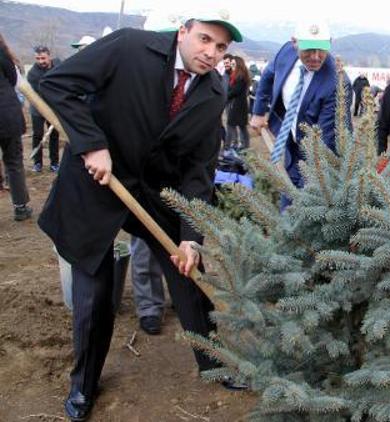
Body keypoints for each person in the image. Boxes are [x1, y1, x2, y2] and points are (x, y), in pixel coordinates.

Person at [37, 13, 244, 420]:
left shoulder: (214, 92)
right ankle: (84, 385)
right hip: (99, 182)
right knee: (94, 293)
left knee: (190, 274)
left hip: (153, 192)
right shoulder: (129, 47)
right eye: (204, 39)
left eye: (221, 47)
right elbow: (56, 85)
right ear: (183, 31)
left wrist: (191, 235)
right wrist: (92, 144)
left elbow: (198, 170)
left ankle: (214, 362)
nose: (211, 52)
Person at [250, 20, 346, 197]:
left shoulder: (334, 82)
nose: (316, 57)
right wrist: (258, 112)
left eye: (321, 49)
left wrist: (304, 188)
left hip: (316, 149)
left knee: (298, 196)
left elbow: (325, 140)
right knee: (287, 191)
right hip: (289, 138)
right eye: (309, 49)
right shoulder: (285, 53)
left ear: (330, 43)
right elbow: (267, 76)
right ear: (294, 43)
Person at [0, 32, 32, 221]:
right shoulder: (3, 54)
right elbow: (13, 79)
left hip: (7, 114)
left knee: (13, 161)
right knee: (14, 162)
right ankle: (20, 207)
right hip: (7, 114)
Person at [27, 45, 62, 173]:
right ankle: (38, 163)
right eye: (38, 58)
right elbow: (44, 93)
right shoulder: (33, 74)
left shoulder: (58, 64)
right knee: (38, 134)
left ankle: (54, 163)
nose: (41, 61)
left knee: (54, 134)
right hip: (38, 107)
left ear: (49, 56)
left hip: (54, 106)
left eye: (43, 58)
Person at [226, 56, 251, 150]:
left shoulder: (240, 76)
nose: (232, 67)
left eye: (234, 65)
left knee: (231, 125)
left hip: (238, 105)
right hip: (238, 104)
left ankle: (229, 146)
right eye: (231, 64)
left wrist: (225, 96)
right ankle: (244, 146)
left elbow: (235, 91)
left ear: (239, 65)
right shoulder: (236, 75)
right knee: (241, 126)